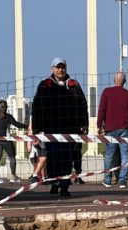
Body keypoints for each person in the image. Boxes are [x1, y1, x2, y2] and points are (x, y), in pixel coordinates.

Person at [31, 57, 88, 197]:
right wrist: (36, 130)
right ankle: (55, 183)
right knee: (53, 158)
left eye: (62, 67)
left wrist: (84, 124)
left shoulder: (74, 85)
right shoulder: (45, 85)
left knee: (67, 158)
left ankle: (64, 185)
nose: (60, 70)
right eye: (57, 67)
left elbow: (83, 104)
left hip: (70, 128)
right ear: (52, 69)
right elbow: (36, 107)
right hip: (51, 128)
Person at [97, 71, 128, 188]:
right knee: (125, 154)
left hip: (110, 128)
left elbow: (102, 110)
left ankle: (107, 179)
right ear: (124, 81)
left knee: (109, 154)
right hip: (125, 128)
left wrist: (99, 125)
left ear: (114, 80)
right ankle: (123, 180)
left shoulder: (106, 92)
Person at [0, 99, 26, 183]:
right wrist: (27, 126)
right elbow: (17, 124)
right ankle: (13, 176)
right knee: (12, 157)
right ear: (5, 107)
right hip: (6, 140)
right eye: (5, 107)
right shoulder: (8, 116)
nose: (5, 108)